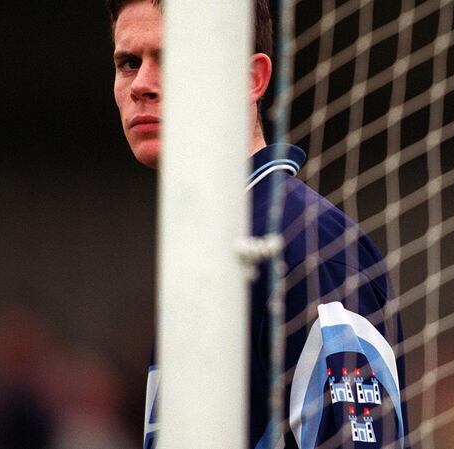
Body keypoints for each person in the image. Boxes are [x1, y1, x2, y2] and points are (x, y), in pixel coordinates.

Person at [107, 0, 408, 447]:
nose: (141, 85)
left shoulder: (309, 244)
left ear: (252, 79)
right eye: (129, 63)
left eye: (172, 58)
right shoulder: (208, 245)